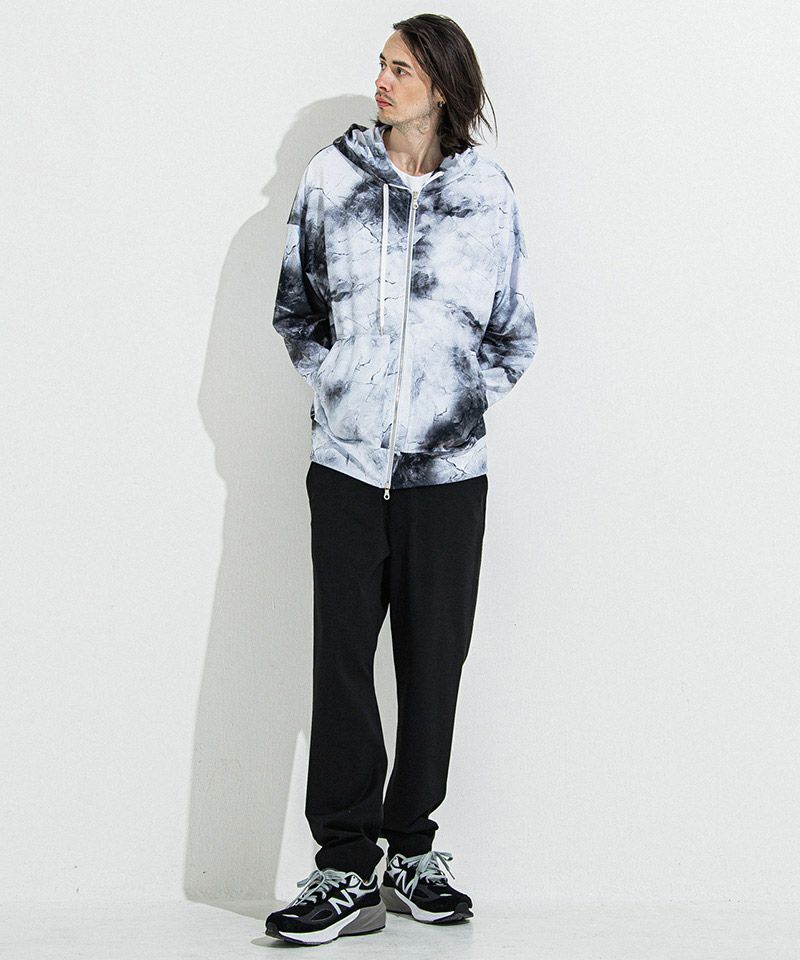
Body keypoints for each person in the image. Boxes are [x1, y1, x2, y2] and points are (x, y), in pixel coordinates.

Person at [266, 13, 538, 946]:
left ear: (443, 87)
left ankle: (412, 850)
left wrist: (453, 404)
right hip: (346, 466)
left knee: (434, 662)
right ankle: (345, 866)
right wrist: (343, 390)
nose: (382, 82)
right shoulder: (331, 179)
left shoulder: (487, 194)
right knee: (342, 661)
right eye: (381, 65)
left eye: (403, 70)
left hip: (448, 473)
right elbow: (296, 310)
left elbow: (514, 331)